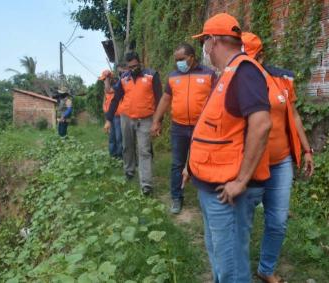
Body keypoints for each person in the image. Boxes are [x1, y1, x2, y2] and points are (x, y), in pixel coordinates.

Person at [185, 13, 272, 282]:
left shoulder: (244, 72)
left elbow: (262, 125)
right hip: (211, 186)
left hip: (227, 192)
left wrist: (241, 180)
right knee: (220, 258)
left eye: (205, 42)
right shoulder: (227, 74)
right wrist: (191, 166)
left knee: (232, 267)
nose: (205, 50)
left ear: (213, 41)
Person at [242, 32, 315, 283]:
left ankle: (266, 269)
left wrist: (307, 150)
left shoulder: (281, 79)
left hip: (281, 160)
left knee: (278, 220)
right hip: (250, 163)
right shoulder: (235, 81)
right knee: (243, 222)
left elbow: (293, 116)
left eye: (251, 58)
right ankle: (238, 272)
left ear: (261, 56)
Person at [150, 42, 216, 214]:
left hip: (201, 128)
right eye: (176, 60)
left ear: (192, 57)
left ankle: (206, 198)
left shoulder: (208, 75)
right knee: (177, 163)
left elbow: (216, 100)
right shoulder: (173, 77)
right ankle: (176, 197)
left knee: (203, 162)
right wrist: (157, 120)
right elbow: (165, 100)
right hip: (178, 127)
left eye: (182, 59)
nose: (178, 63)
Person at [104, 51, 162, 195]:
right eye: (130, 67)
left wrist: (158, 121)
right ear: (127, 67)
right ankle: (129, 171)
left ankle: (146, 184)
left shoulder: (151, 75)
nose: (133, 69)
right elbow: (115, 99)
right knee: (127, 147)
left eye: (135, 66)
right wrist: (109, 119)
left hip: (146, 119)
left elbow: (160, 99)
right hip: (126, 118)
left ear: (140, 63)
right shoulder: (124, 78)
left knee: (144, 150)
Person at [99, 69, 123, 159]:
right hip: (109, 116)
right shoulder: (105, 89)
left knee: (119, 137)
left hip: (117, 115)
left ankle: (120, 156)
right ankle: (113, 156)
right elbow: (105, 100)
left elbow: (109, 90)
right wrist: (105, 112)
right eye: (103, 80)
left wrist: (107, 79)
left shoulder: (116, 86)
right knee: (111, 137)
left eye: (104, 79)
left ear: (109, 78)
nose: (103, 81)